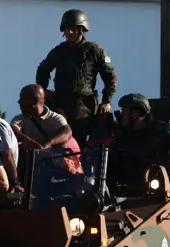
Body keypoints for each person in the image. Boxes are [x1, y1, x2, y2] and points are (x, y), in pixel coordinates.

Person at [35, 9, 117, 145]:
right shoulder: (59, 51)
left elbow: (110, 76)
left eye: (73, 29)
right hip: (61, 103)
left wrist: (106, 101)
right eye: (67, 29)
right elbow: (43, 69)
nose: (69, 32)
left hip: (83, 105)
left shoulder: (94, 50)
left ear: (81, 29)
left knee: (80, 142)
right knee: (58, 138)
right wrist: (43, 91)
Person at [108, 93, 170, 187]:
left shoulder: (162, 131)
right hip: (130, 190)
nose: (121, 114)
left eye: (124, 110)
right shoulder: (123, 137)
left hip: (161, 187)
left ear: (136, 113)